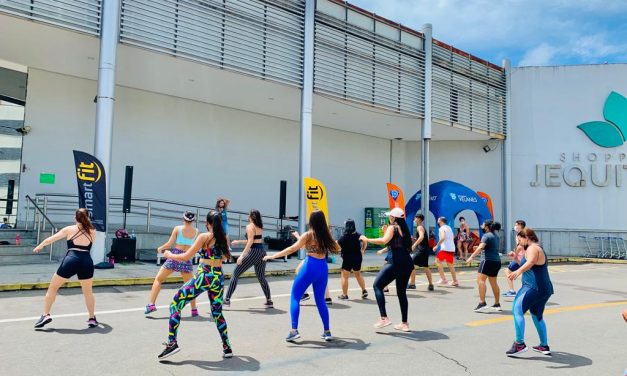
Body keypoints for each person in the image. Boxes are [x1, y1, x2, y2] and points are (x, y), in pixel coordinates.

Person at [158, 211, 232, 360]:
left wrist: (168, 255)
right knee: (217, 313)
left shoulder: (204, 237)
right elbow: (225, 257)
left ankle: (172, 343)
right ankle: (227, 347)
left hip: (204, 276)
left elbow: (186, 257)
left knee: (175, 304)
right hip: (218, 277)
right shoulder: (223, 237)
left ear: (208, 223)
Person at [263, 211, 340, 342]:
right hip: (322, 267)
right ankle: (327, 331)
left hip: (310, 266)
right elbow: (337, 248)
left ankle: (294, 330)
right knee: (320, 301)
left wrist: (272, 256)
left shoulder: (309, 234)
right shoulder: (326, 235)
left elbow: (292, 249)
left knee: (295, 296)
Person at [32, 208, 98, 329]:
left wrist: (39, 246)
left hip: (71, 259)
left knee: (53, 287)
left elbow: (50, 239)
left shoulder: (69, 229)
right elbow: (91, 244)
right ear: (87, 217)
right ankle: (92, 318)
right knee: (88, 292)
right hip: (86, 261)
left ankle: (45, 315)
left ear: (75, 218)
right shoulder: (93, 231)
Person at [360, 207, 413, 332]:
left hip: (396, 262)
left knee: (377, 285)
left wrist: (366, 239)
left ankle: (384, 318)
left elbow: (384, 240)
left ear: (393, 218)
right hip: (407, 263)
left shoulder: (392, 227)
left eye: (390, 216)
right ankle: (404, 323)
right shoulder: (404, 229)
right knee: (401, 293)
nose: (389, 218)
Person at [506, 228, 554, 357]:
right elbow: (528, 264)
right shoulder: (536, 248)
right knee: (536, 315)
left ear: (526, 237)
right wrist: (515, 258)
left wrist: (518, 272)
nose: (519, 243)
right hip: (544, 289)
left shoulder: (533, 248)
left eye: (520, 240)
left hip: (533, 287)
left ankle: (519, 344)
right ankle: (544, 345)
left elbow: (531, 262)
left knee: (517, 310)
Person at [145, 211, 199, 316]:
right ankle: (194, 310)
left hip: (174, 256)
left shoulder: (178, 228)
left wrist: (160, 248)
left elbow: (169, 244)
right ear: (193, 220)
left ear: (183, 219)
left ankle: (151, 304)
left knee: (159, 279)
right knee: (190, 286)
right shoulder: (196, 231)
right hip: (186, 257)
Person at [225, 209, 273, 308]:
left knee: (236, 273)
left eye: (248, 215)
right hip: (262, 252)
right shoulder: (259, 226)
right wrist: (238, 241)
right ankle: (269, 300)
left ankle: (227, 300)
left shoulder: (249, 226)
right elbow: (255, 240)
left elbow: (250, 241)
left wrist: (242, 256)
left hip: (254, 252)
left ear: (251, 216)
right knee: (261, 277)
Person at [466, 220, 503, 313]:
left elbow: (481, 247)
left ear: (487, 226)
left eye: (483, 224)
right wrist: (479, 247)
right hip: (496, 261)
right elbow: (488, 247)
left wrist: (471, 257)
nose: (481, 226)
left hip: (487, 261)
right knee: (493, 282)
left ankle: (482, 303)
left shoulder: (486, 235)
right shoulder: (496, 236)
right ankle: (497, 304)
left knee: (480, 280)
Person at [337, 219, 368, 300]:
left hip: (347, 258)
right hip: (358, 257)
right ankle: (364, 290)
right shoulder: (358, 235)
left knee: (344, 276)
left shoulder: (343, 237)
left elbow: (337, 247)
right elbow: (365, 240)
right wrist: (363, 249)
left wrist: (339, 249)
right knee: (358, 274)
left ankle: (344, 295)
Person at [408, 214, 434, 291]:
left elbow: (422, 237)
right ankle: (431, 284)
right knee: (426, 267)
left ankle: (412, 284)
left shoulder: (419, 227)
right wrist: (414, 239)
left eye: (415, 217)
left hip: (421, 250)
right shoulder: (421, 227)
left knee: (410, 264)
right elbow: (422, 238)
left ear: (419, 219)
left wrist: (414, 245)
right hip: (425, 250)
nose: (414, 219)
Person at [433, 217, 459, 287]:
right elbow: (453, 237)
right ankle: (455, 281)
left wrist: (436, 246)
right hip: (451, 248)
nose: (437, 222)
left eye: (438, 220)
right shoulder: (449, 228)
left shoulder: (441, 228)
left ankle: (443, 279)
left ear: (441, 221)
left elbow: (443, 238)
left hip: (445, 248)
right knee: (450, 265)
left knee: (437, 261)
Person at [503, 220, 526, 297]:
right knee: (525, 273)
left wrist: (514, 254)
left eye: (516, 225)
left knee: (507, 271)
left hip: (521, 258)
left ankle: (512, 291)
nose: (515, 226)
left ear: (521, 225)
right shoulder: (519, 234)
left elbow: (521, 246)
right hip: (521, 257)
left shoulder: (522, 235)